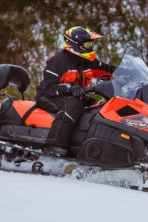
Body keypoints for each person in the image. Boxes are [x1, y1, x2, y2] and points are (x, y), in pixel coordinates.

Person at [35, 26, 116, 157]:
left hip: (75, 95)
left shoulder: (87, 61)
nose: (90, 47)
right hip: (48, 96)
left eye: (91, 44)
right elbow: (48, 87)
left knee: (98, 107)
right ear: (75, 45)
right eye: (88, 44)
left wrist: (127, 73)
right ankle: (54, 144)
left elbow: (107, 70)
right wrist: (69, 87)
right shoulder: (58, 61)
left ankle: (88, 144)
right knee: (73, 104)